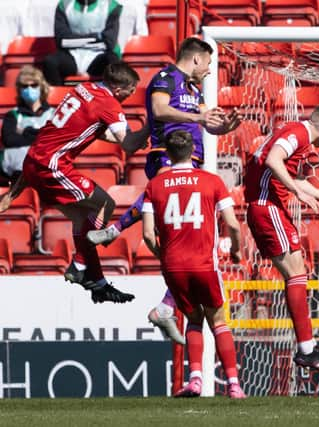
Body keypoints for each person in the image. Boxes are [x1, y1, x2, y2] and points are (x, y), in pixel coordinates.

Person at [87, 37, 240, 343]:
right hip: (167, 152)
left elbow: (206, 121)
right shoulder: (165, 78)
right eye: (209, 63)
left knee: (188, 245)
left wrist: (222, 127)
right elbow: (158, 109)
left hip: (192, 159)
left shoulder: (194, 90)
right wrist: (198, 117)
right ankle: (115, 230)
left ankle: (165, 306)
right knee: (164, 192)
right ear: (195, 59)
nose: (210, 70)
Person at [0, 63, 149, 303]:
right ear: (120, 89)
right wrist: (151, 126)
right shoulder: (108, 103)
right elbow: (129, 144)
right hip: (52, 166)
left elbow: (92, 128)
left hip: (34, 159)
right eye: (131, 90)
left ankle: (98, 282)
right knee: (105, 204)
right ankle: (78, 266)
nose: (132, 94)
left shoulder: (84, 88)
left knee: (82, 219)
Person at [244, 105, 319, 373]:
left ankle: (308, 348)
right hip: (267, 206)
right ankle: (307, 350)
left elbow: (289, 174)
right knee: (296, 275)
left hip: (271, 208)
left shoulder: (296, 135)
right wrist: (295, 190)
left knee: (298, 275)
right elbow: (273, 159)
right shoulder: (298, 133)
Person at [142, 130, 245, 399]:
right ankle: (233, 384)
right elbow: (233, 225)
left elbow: (146, 234)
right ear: (194, 152)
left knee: (193, 319)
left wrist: (163, 257)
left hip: (174, 267)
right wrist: (236, 251)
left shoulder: (155, 185)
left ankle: (196, 379)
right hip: (203, 264)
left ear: (166, 152)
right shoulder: (212, 181)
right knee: (219, 321)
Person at [43, 0, 122, 85]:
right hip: (71, 55)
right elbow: (61, 39)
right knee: (50, 62)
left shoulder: (111, 6)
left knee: (114, 63)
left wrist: (73, 39)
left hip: (99, 55)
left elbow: (109, 41)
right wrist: (97, 37)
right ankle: (57, 97)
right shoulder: (64, 5)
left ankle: (109, 97)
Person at [1, 66, 55, 180]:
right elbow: (10, 140)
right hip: (17, 169)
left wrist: (25, 131)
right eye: (25, 86)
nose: (29, 89)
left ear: (42, 87)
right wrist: (40, 136)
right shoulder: (13, 115)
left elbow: (53, 139)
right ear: (19, 89)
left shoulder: (53, 114)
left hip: (46, 167)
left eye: (34, 85)